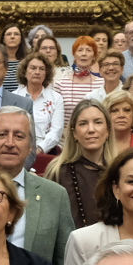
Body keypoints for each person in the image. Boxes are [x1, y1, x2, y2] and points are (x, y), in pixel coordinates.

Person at [0, 107, 71, 265]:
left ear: (31, 145)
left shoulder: (54, 195)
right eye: (2, 134)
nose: (10, 143)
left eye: (19, 136)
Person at [48, 98, 113, 229]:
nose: (91, 129)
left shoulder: (121, 171)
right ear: (74, 133)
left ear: (108, 131)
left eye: (98, 122)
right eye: (83, 123)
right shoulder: (58, 172)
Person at [55, 36, 104, 111]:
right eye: (80, 50)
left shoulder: (102, 84)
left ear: (94, 56)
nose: (84, 54)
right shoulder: (60, 84)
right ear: (74, 55)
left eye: (88, 50)